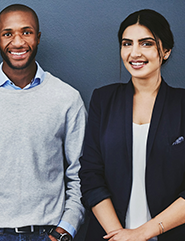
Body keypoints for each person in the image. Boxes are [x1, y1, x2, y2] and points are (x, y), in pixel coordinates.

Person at [0, 4, 86, 241]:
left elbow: (81, 174)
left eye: (26, 32)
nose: (18, 42)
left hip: (51, 232)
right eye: (8, 34)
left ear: (38, 38)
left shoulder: (67, 98)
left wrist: (64, 231)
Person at [79, 9, 185, 241]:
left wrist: (142, 233)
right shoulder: (103, 100)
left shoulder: (181, 104)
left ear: (165, 51)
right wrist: (119, 235)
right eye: (127, 43)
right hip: (110, 236)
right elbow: (90, 175)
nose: (134, 53)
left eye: (146, 43)